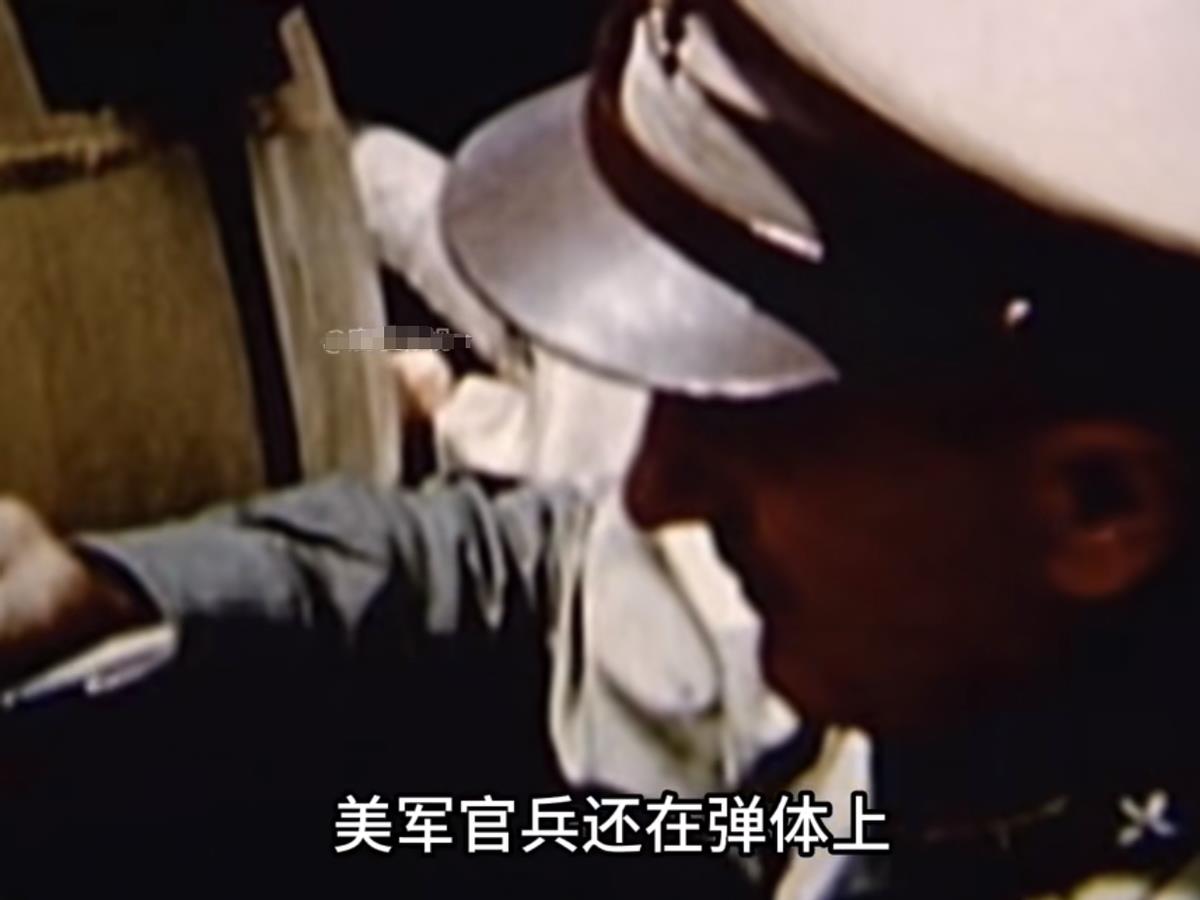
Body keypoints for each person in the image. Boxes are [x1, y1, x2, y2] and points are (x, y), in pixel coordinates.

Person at [2, 0, 1200, 897]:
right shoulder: (955, 634)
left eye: (736, 417)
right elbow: (558, 574)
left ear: (1098, 503)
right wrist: (124, 597)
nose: (653, 486)